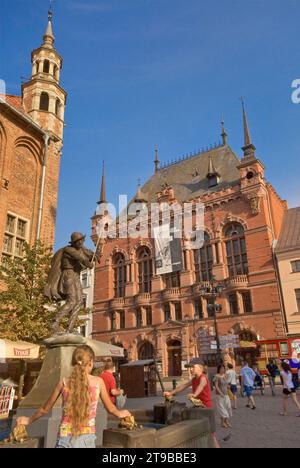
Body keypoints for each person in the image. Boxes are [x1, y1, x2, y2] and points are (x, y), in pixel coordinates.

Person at [17, 345, 131, 448]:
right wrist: (122, 413)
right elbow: (111, 408)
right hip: (86, 440)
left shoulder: (64, 382)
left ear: (74, 362)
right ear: (91, 362)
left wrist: (28, 420)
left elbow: (44, 409)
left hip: (64, 439)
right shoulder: (98, 382)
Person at [164, 359, 220, 449]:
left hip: (206, 408)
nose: (190, 369)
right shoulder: (194, 379)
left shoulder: (203, 377)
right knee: (202, 431)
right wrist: (171, 392)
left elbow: (201, 386)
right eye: (190, 367)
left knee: (211, 434)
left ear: (201, 368)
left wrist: (194, 394)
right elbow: (183, 386)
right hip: (198, 407)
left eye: (193, 367)